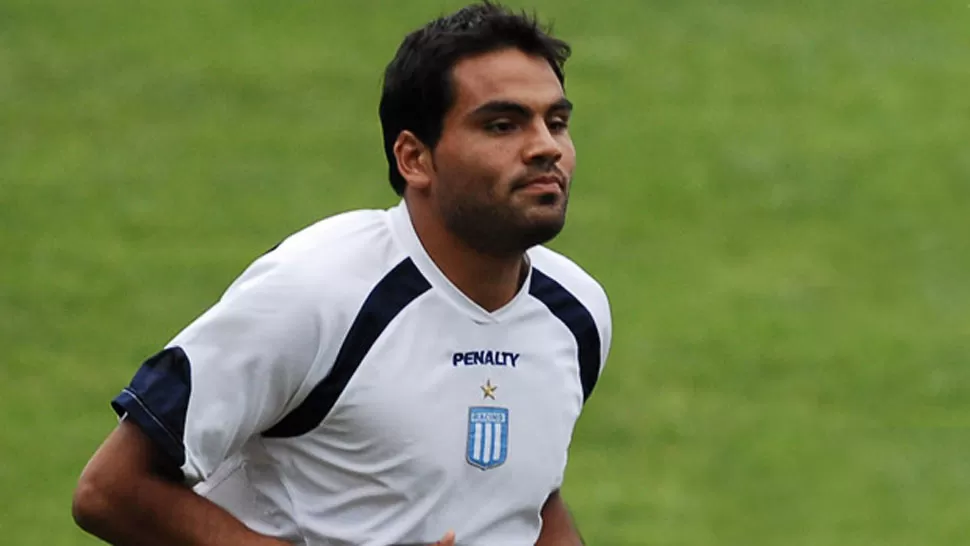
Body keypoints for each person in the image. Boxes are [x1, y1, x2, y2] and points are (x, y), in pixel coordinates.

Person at [71, 2, 612, 544]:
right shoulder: (316, 294)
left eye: (556, 122)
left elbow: (527, 501)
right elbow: (112, 490)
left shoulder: (576, 312)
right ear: (414, 159)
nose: (545, 147)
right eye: (502, 125)